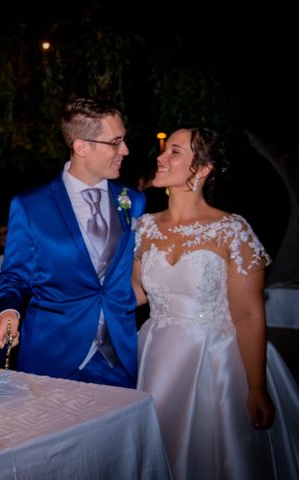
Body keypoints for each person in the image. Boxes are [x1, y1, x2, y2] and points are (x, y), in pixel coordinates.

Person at [132, 126, 299, 479]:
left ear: (203, 167)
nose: (161, 157)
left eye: (174, 151)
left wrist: (255, 386)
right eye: (164, 150)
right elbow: (134, 295)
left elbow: (249, 313)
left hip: (217, 359)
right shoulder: (144, 228)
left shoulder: (232, 230)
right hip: (155, 353)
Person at [0, 96, 146, 387]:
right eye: (115, 143)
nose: (125, 150)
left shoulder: (134, 201)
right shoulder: (31, 206)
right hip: (52, 356)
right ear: (81, 146)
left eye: (123, 140)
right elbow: (13, 276)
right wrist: (8, 311)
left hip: (119, 358)